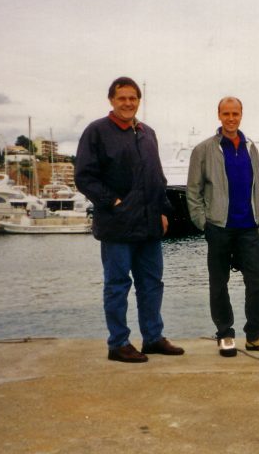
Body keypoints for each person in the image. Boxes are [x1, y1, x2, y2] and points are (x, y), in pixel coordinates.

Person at [74, 77, 183, 363]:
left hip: (149, 225)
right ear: (111, 99)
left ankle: (153, 337)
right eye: (122, 98)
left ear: (139, 101)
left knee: (151, 283)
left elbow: (157, 178)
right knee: (117, 285)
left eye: (133, 98)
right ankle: (118, 343)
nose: (128, 103)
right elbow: (84, 176)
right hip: (117, 225)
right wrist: (114, 202)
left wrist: (163, 210)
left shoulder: (148, 134)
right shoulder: (96, 132)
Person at [186, 97, 259, 357]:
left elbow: (257, 185)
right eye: (226, 113)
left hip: (249, 227)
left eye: (235, 113)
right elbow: (193, 191)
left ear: (242, 115)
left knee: (257, 282)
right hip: (218, 226)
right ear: (218, 115)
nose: (231, 118)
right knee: (219, 283)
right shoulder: (204, 150)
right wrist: (202, 223)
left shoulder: (252, 148)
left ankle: (256, 334)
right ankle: (225, 334)